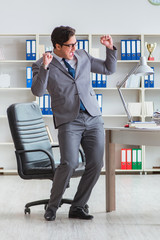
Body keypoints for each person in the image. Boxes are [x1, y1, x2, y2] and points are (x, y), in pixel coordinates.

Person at [31, 26, 117, 221]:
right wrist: (45, 67)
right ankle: (52, 207)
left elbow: (108, 69)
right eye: (70, 45)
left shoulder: (83, 56)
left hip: (93, 117)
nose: (74, 48)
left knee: (96, 163)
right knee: (69, 163)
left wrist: (110, 49)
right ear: (57, 46)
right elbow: (37, 91)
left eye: (75, 44)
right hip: (69, 120)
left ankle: (78, 206)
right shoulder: (42, 63)